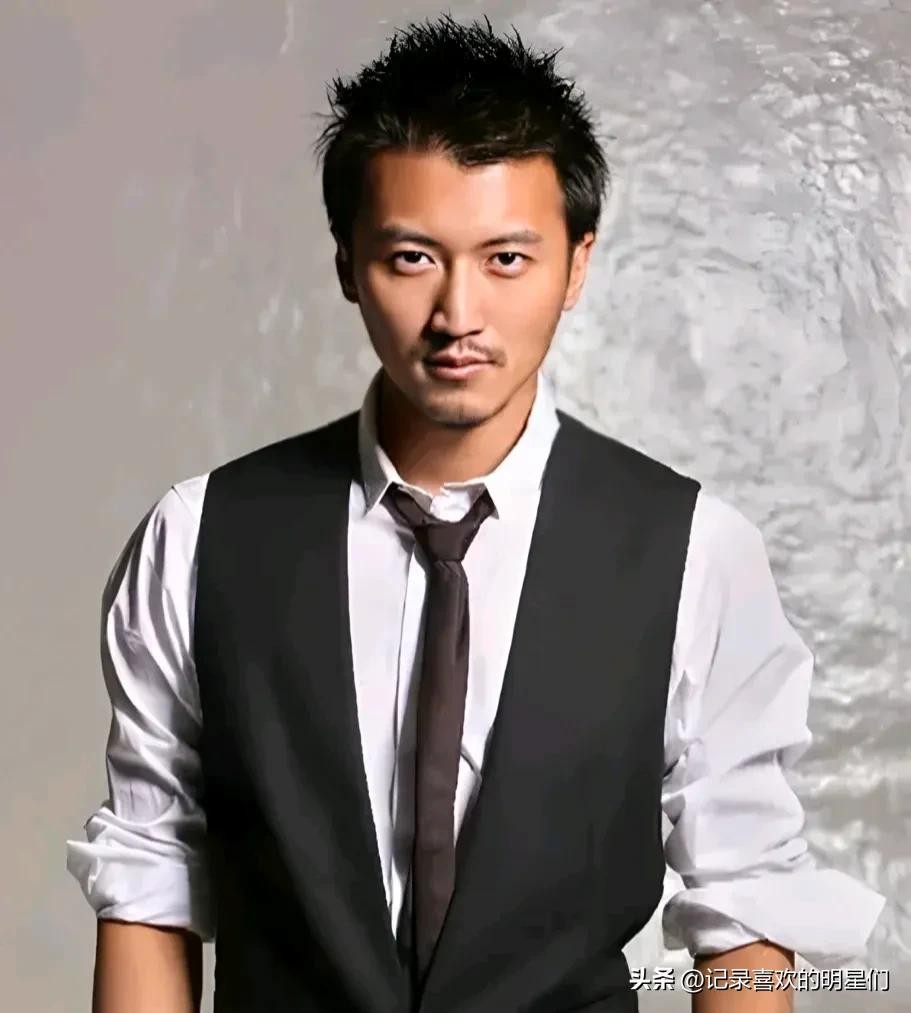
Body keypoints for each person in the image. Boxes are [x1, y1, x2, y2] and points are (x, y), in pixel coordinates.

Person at [66, 14, 885, 1013]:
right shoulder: (199, 539)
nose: (458, 316)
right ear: (346, 263)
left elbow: (744, 905)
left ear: (576, 264)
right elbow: (150, 876)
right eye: (412, 257)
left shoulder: (693, 552)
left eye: (506, 259)